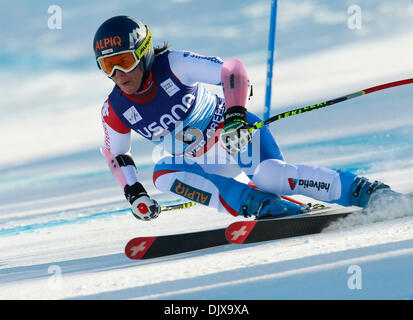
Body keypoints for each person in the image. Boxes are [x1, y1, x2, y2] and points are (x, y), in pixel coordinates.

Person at [94, 15, 394, 222]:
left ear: (143, 52)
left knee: (269, 177)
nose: (117, 74)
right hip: (204, 162)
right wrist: (134, 192)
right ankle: (262, 206)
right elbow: (116, 153)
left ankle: (363, 190)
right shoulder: (116, 108)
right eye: (107, 65)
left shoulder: (173, 64)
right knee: (162, 175)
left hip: (232, 132)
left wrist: (236, 115)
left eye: (124, 61)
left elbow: (233, 70)